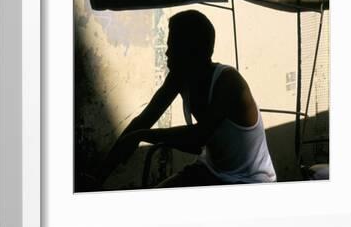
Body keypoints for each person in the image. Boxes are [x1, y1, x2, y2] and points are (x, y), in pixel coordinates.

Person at [90, 10, 276, 189]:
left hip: (249, 182)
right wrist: (98, 176)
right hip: (210, 170)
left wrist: (143, 135)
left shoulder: (228, 82)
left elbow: (198, 139)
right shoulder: (179, 77)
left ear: (192, 51)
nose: (167, 53)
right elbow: (144, 120)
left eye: (173, 47)